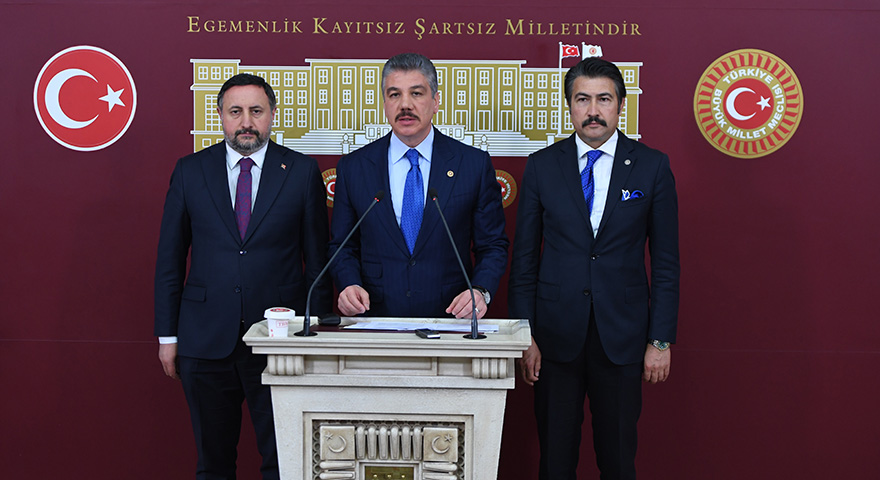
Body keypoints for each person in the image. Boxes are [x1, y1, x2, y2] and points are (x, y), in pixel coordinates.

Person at [508, 58, 680, 480]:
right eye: (582, 99)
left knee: (618, 461)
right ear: (569, 106)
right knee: (555, 462)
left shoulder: (652, 166)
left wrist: (660, 340)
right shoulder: (542, 165)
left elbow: (666, 264)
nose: (593, 111)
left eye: (604, 99)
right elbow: (524, 260)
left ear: (620, 105)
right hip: (553, 340)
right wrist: (524, 336)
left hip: (622, 338)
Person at [154, 73, 331, 479]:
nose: (246, 122)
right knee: (213, 465)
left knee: (285, 463)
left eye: (256, 111)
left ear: (272, 115)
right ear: (220, 116)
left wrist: (316, 335)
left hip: (280, 342)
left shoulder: (301, 171)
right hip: (204, 339)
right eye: (236, 112)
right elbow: (169, 260)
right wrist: (168, 336)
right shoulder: (190, 171)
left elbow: (318, 262)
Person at [329, 53, 508, 320]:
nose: (405, 105)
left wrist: (480, 290)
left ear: (435, 101)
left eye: (416, 93)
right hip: (376, 318)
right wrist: (348, 283)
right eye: (394, 95)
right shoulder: (354, 167)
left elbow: (492, 244)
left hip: (450, 318)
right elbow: (342, 245)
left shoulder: (472, 164)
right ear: (384, 104)